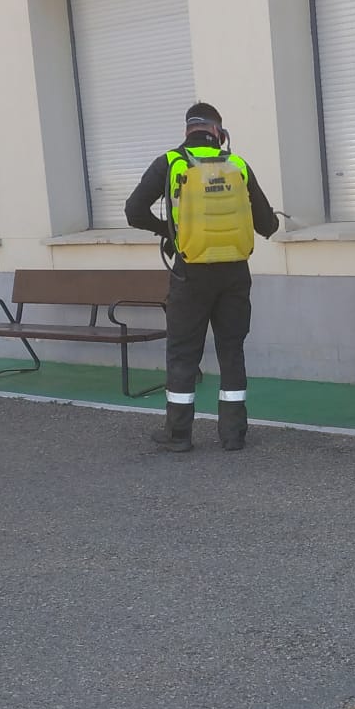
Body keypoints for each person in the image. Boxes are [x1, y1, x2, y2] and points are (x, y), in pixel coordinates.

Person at [124, 102, 280, 452]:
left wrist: (171, 231)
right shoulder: (237, 164)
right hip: (235, 274)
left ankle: (178, 434)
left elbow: (134, 210)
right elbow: (266, 224)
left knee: (183, 352)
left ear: (187, 130)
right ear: (218, 131)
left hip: (190, 273)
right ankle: (233, 434)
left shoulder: (170, 162)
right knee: (231, 349)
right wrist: (273, 222)